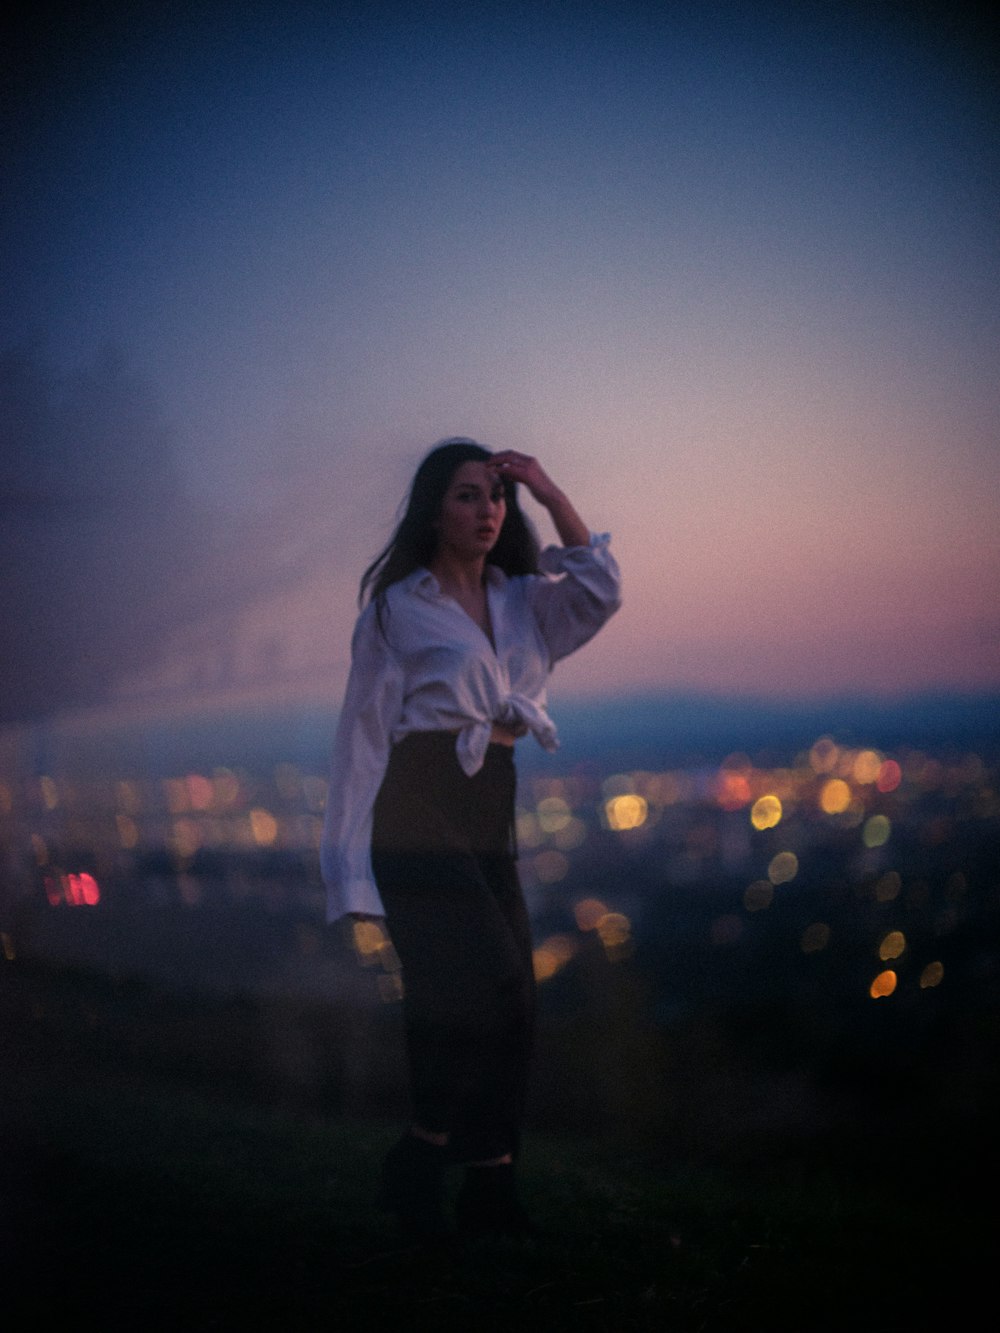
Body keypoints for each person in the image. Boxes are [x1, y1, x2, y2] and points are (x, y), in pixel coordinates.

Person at [321, 438, 621, 1242]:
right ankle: (425, 1158)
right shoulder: (396, 607)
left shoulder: (524, 599)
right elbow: (362, 736)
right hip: (417, 802)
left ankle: (481, 1183)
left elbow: (600, 589)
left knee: (507, 995)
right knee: (485, 978)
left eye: (496, 496)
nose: (487, 509)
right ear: (433, 508)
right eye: (467, 494)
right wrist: (348, 872)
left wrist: (548, 489)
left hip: (492, 801)